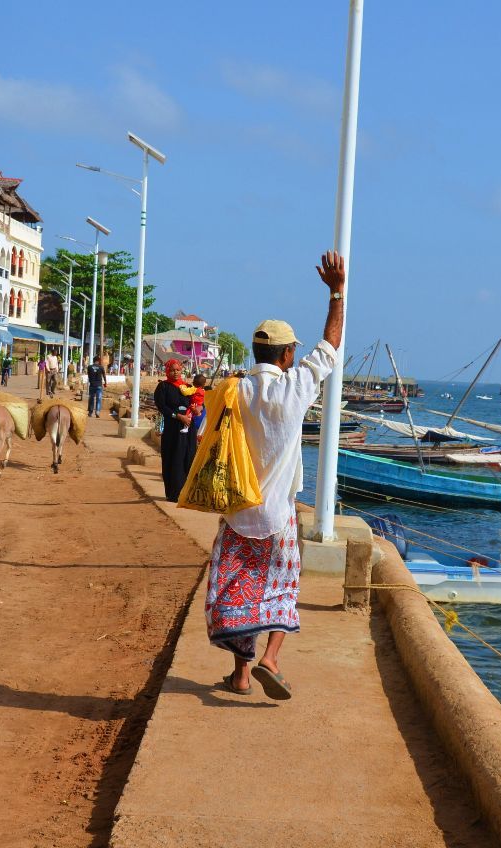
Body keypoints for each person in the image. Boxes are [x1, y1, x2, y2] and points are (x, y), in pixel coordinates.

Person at [205, 250, 345, 700]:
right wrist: (336, 293)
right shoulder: (296, 387)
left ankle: (241, 675)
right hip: (278, 515)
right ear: (287, 355)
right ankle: (271, 658)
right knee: (282, 586)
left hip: (237, 511)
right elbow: (330, 346)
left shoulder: (233, 390)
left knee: (239, 589)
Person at [153, 359, 196, 501]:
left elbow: (195, 405)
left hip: (188, 429)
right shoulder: (163, 387)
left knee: (188, 458)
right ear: (167, 371)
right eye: (172, 370)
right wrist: (178, 417)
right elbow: (162, 407)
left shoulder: (188, 387)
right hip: (172, 429)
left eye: (177, 370)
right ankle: (174, 494)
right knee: (173, 459)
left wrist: (195, 410)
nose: (175, 372)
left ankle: (187, 493)